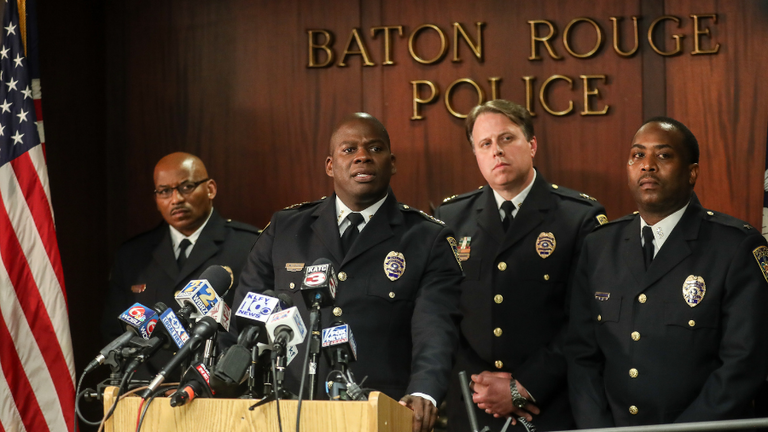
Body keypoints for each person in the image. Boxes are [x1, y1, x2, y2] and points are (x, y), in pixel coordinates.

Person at [233, 113, 462, 432]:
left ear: (392, 163)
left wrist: (424, 391)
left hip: (383, 412)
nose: (362, 157)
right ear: (330, 165)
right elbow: (245, 319)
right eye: (349, 149)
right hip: (287, 410)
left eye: (375, 148)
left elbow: (435, 327)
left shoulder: (427, 238)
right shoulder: (285, 229)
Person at [566, 117, 768, 427]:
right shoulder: (599, 245)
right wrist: (598, 430)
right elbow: (581, 355)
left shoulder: (735, 246)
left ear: (692, 172)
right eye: (637, 155)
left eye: (663, 155)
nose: (647, 165)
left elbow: (743, 365)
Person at [434, 99, 606, 431]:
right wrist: (484, 388)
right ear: (476, 155)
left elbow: (586, 320)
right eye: (485, 144)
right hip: (474, 404)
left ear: (532, 145)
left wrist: (523, 386)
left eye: (507, 138)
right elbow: (442, 313)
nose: (496, 151)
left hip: (548, 404)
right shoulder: (451, 219)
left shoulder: (579, 217)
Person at [102, 152, 260, 365]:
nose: (176, 199)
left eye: (186, 187)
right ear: (156, 199)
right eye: (164, 191)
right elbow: (115, 332)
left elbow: (254, 329)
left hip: (217, 381)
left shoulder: (248, 246)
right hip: (148, 383)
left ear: (210, 189)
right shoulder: (132, 255)